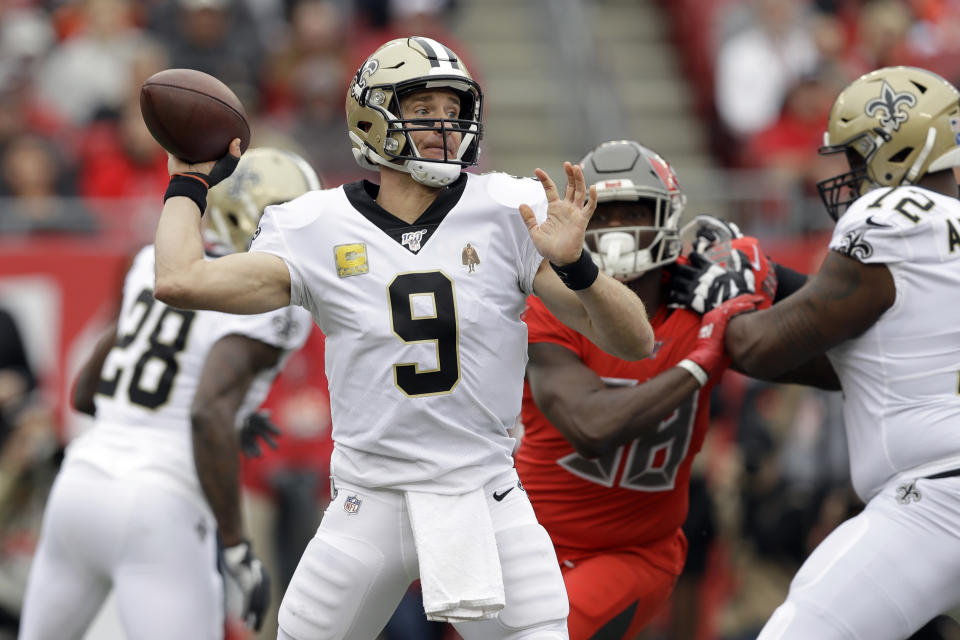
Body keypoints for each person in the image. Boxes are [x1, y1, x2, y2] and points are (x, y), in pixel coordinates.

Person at [152, 36, 656, 640]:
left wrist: (580, 267)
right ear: (371, 118)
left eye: (453, 110)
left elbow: (634, 342)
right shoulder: (313, 225)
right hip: (370, 500)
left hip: (485, 493)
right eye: (423, 111)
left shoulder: (511, 208)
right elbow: (180, 280)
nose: (445, 127)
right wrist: (188, 182)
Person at [515, 139, 832, 640]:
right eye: (605, 214)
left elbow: (833, 361)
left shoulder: (704, 297)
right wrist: (697, 364)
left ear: (668, 217)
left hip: (634, 551)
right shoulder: (554, 304)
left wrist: (768, 275)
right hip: (526, 542)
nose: (620, 231)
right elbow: (591, 427)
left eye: (635, 211)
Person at [687, 66, 960, 640]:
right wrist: (766, 275)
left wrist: (720, 297)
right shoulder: (941, 233)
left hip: (938, 498)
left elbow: (761, 348)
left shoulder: (890, 221)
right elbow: (856, 350)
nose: (848, 178)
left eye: (858, 159)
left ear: (897, 151)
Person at [17, 147, 319, 640]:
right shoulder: (275, 304)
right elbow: (206, 412)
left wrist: (213, 415)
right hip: (160, 502)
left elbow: (84, 392)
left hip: (81, 479)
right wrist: (236, 544)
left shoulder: (153, 263)